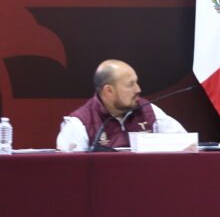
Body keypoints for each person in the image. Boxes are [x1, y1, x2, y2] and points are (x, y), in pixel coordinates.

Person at [57, 59, 186, 151]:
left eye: (136, 83)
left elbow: (186, 144)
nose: (138, 90)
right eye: (130, 85)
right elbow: (69, 170)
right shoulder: (79, 123)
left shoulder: (148, 110)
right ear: (109, 91)